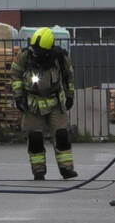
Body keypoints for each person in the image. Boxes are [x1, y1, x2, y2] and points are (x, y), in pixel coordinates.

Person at [11, 27, 78, 181]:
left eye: (39, 51)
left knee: (61, 135)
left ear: (48, 49)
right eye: (34, 49)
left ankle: (66, 169)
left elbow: (69, 77)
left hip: (55, 102)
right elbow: (15, 76)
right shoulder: (24, 56)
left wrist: (70, 96)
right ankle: (38, 171)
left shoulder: (60, 58)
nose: (35, 53)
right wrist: (19, 97)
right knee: (34, 138)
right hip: (33, 103)